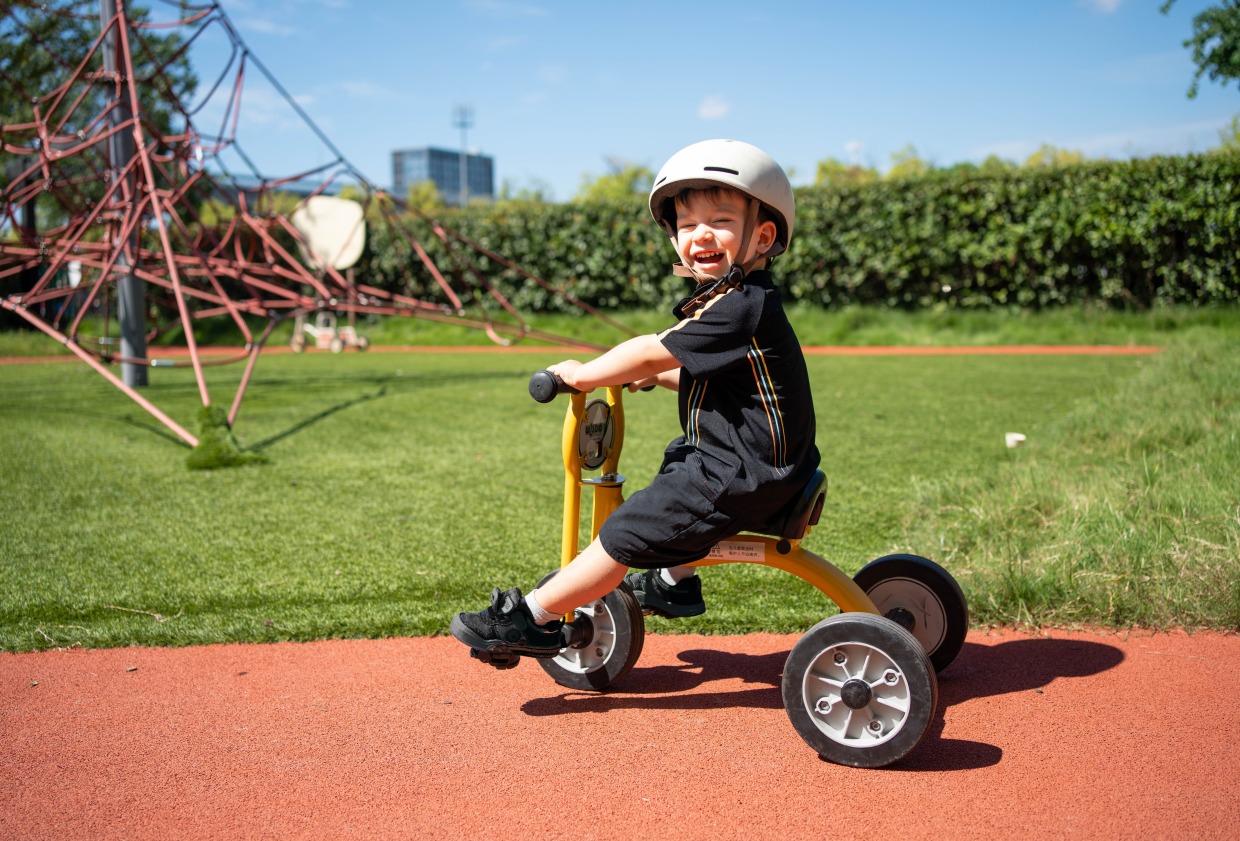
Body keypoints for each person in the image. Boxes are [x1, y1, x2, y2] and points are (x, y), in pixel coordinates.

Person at [450, 139, 820, 657]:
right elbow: (717, 384)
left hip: (746, 474)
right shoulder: (739, 304)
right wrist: (657, 380)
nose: (701, 235)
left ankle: (531, 618)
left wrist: (584, 374)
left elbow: (651, 351)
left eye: (720, 220)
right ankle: (675, 581)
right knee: (679, 460)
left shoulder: (739, 307)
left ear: (762, 236)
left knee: (627, 528)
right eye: (688, 225)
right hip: (763, 466)